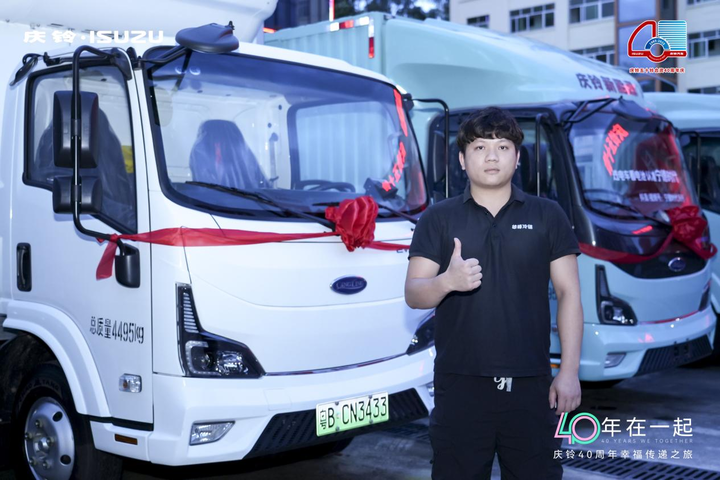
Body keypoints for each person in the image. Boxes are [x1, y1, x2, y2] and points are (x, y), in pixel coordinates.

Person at [405, 107, 583, 479]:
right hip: (459, 384)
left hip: (532, 384)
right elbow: (414, 294)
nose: (491, 156)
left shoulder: (548, 215)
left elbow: (569, 294)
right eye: (479, 147)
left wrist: (569, 372)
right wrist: (447, 281)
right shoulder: (438, 218)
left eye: (502, 147)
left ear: (517, 158)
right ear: (461, 159)